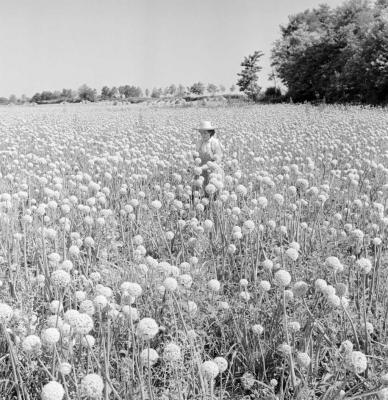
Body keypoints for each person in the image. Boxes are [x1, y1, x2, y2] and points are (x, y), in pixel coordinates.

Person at [194, 120, 224, 196]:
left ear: (210, 132)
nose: (203, 135)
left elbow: (218, 159)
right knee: (201, 194)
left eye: (205, 133)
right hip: (201, 172)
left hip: (213, 173)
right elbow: (197, 157)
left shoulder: (215, 143)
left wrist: (204, 167)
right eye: (201, 133)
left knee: (214, 195)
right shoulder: (199, 142)